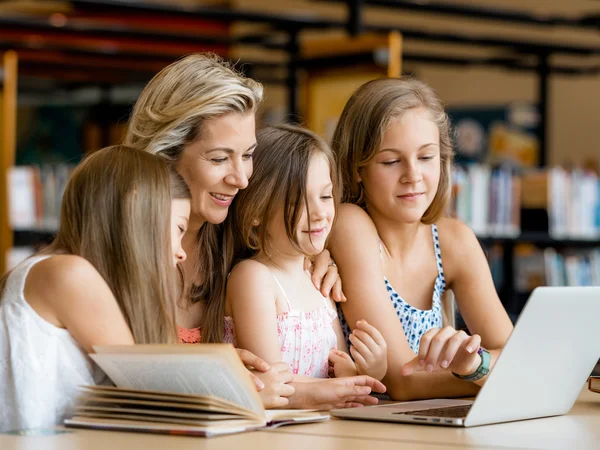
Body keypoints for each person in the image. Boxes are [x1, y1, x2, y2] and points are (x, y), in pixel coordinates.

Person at [124, 53, 383, 409]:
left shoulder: (231, 230)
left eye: (247, 155)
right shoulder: (125, 249)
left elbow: (288, 238)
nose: (242, 179)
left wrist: (320, 254)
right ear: (165, 154)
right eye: (219, 159)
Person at [329, 77, 514, 401]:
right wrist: (478, 371)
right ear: (358, 167)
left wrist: (479, 366)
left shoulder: (454, 239)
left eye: (426, 157)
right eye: (391, 161)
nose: (412, 175)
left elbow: (519, 355)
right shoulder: (350, 225)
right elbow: (402, 381)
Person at [0, 146, 191, 431]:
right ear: (136, 208)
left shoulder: (55, 271)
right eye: (179, 229)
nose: (181, 252)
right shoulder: (68, 273)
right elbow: (152, 390)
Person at [225, 124, 387, 381]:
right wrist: (343, 386)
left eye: (325, 196)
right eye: (298, 201)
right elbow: (271, 378)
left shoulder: (318, 280)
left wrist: (368, 371)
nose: (320, 213)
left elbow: (338, 368)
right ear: (255, 210)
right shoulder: (253, 278)